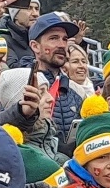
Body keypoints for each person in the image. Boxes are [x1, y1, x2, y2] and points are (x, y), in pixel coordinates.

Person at [26, 12, 82, 145]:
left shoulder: (77, 90)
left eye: (64, 39)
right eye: (54, 38)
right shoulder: (24, 86)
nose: (62, 45)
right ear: (35, 46)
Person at [0, 0, 37, 66]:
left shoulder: (40, 38)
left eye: (37, 9)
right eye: (29, 8)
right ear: (15, 15)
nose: (35, 14)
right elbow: (12, 69)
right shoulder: (3, 40)